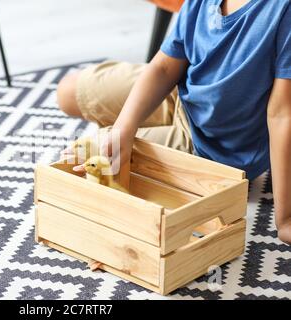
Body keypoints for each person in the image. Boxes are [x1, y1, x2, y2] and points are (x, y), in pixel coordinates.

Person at [56, 0, 291, 244]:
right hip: (181, 92)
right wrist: (124, 129)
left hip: (211, 146)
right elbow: (165, 67)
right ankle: (140, 129)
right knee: (68, 92)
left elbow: (282, 114)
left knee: (85, 157)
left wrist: (285, 219)